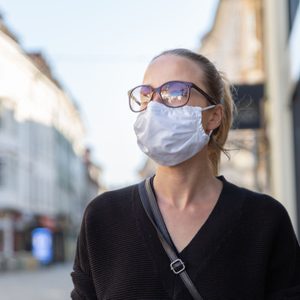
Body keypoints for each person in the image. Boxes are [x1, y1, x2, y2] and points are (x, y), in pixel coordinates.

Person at [71, 48, 300, 300]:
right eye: (147, 94)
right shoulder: (103, 218)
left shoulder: (264, 220)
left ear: (213, 116)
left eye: (176, 92)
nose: (155, 106)